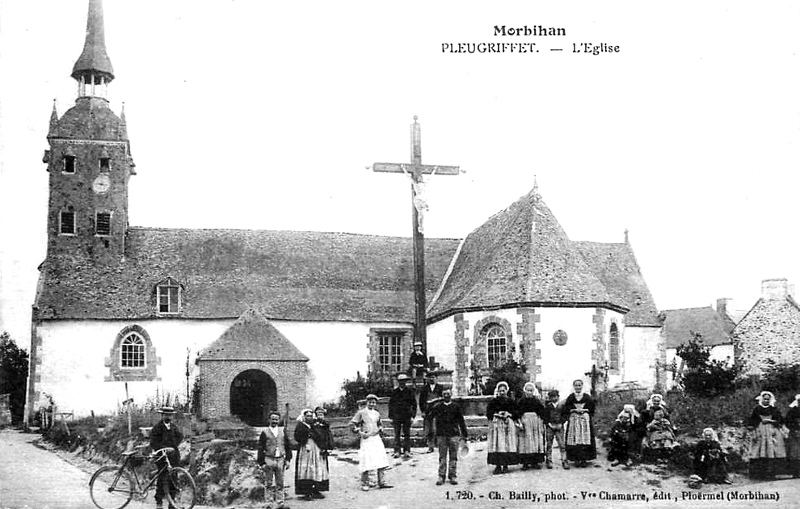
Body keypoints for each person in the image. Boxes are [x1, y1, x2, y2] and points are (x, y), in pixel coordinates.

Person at [350, 394, 392, 491]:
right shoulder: (361, 413)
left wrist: (380, 429)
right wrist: (360, 432)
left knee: (381, 458)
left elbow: (380, 424)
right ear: (366, 402)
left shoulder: (377, 413)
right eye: (370, 402)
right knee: (366, 459)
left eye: (374, 402)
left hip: (376, 438)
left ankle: (382, 481)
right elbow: (352, 424)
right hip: (366, 439)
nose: (372, 404)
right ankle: (365, 483)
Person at [428, 388, 468, 485]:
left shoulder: (456, 407)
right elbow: (429, 417)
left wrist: (464, 434)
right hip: (441, 435)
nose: (446, 396)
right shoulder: (437, 407)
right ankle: (441, 476)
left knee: (453, 456)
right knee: (442, 457)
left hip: (453, 434)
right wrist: (431, 405)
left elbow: (461, 421)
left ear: (451, 395)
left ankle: (452, 475)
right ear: (442, 396)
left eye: (448, 394)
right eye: (444, 394)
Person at [257, 411, 293, 509]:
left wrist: (288, 459)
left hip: (280, 459)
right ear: (269, 420)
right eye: (273, 419)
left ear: (279, 420)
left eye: (276, 419)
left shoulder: (282, 431)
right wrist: (261, 462)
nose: (274, 421)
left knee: (280, 483)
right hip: (269, 459)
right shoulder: (265, 432)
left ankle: (280, 503)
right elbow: (260, 448)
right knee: (268, 483)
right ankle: (268, 503)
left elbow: (288, 446)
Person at [747, 390, 786, 479]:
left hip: (772, 431)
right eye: (765, 399)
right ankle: (758, 474)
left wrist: (770, 421)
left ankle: (770, 474)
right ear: (761, 399)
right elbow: (752, 421)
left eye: (768, 399)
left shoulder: (774, 409)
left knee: (771, 451)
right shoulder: (757, 409)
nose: (766, 401)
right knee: (758, 451)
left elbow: (780, 420)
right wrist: (753, 429)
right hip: (760, 431)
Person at [149, 406, 183, 509]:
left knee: (173, 478)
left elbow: (180, 436)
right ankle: (159, 501)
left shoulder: (173, 427)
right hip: (162, 457)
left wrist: (174, 446)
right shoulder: (157, 428)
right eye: (166, 415)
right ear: (162, 415)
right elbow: (153, 443)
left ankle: (171, 503)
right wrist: (164, 448)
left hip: (173, 457)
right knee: (162, 477)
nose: (168, 417)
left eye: (170, 415)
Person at [561, 379, 596, 468]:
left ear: (582, 386)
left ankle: (584, 459)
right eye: (576, 385)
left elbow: (592, 408)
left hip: (584, 420)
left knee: (584, 438)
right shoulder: (571, 397)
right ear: (573, 387)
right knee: (574, 438)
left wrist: (584, 410)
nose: (578, 387)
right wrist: (573, 410)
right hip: (574, 420)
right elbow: (566, 408)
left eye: (579, 385)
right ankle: (576, 459)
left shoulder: (587, 397)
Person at [486, 381, 519, 474]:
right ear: (497, 391)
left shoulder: (510, 401)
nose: (502, 392)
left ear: (506, 391)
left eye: (503, 390)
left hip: (508, 424)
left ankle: (505, 465)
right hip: (497, 425)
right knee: (497, 444)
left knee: (506, 444)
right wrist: (496, 414)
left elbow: (516, 413)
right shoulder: (493, 401)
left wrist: (509, 414)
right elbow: (489, 413)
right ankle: (498, 466)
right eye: (500, 391)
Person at [294, 409, 328, 499]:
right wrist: (306, 436)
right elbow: (297, 437)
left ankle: (316, 490)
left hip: (316, 448)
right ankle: (306, 491)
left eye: (311, 416)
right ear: (304, 417)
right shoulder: (300, 425)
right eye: (307, 416)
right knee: (306, 469)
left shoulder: (314, 425)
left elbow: (322, 434)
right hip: (306, 449)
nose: (309, 418)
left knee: (316, 468)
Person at [517, 382, 547, 470]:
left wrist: (540, 423)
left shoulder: (536, 401)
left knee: (535, 441)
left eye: (531, 390)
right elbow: (518, 413)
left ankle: (535, 462)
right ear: (524, 391)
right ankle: (525, 463)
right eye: (527, 390)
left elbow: (541, 412)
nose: (529, 392)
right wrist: (520, 423)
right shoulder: (521, 401)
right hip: (525, 421)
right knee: (525, 442)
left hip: (535, 422)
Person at [388, 373, 417, 459]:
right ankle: (397, 451)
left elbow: (414, 405)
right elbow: (391, 405)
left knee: (407, 434)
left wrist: (413, 416)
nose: (402, 383)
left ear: (406, 382)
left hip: (407, 416)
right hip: (396, 416)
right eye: (400, 381)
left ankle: (407, 451)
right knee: (397, 434)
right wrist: (391, 417)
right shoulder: (394, 392)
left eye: (404, 381)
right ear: (398, 382)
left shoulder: (409, 392)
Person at [419, 372, 444, 453]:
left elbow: (443, 399)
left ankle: (440, 445)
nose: (431, 379)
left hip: (438, 411)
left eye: (433, 377)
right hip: (428, 411)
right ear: (427, 379)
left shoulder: (440, 387)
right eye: (430, 377)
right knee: (429, 430)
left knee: (439, 428)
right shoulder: (424, 388)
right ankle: (430, 446)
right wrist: (423, 411)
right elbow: (421, 401)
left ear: (436, 378)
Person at [543, 390, 568, 469]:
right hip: (550, 427)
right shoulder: (547, 407)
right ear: (549, 398)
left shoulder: (562, 406)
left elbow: (565, 416)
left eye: (555, 396)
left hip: (559, 426)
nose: (554, 398)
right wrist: (549, 424)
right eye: (551, 397)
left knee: (562, 444)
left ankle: (564, 460)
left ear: (558, 396)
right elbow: (545, 417)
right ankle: (549, 460)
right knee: (549, 444)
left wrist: (561, 423)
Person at [312, 407, 335, 488]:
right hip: (315, 446)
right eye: (318, 414)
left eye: (321, 414)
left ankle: (321, 486)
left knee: (323, 466)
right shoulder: (313, 424)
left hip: (323, 447)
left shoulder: (326, 424)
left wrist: (329, 447)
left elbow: (328, 436)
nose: (320, 416)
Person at [786, 394, 800, 478]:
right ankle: (796, 472)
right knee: (795, 453)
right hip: (795, 433)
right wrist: (795, 428)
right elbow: (787, 422)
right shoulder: (792, 411)